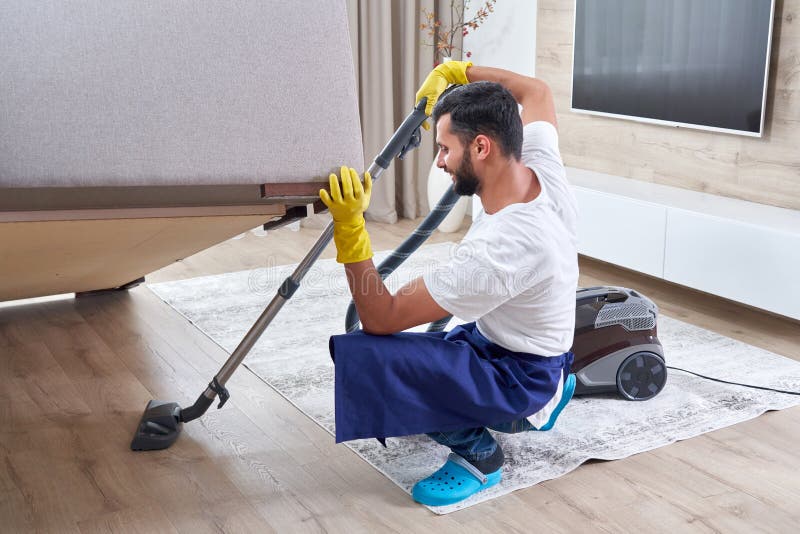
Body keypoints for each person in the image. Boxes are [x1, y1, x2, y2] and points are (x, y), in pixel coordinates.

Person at [318, 61, 579, 507]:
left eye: (444, 149)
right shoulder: (533, 163)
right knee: (418, 364)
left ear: (481, 146)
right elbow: (536, 92)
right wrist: (459, 70)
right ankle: (551, 391)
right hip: (513, 345)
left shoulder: (504, 250)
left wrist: (351, 229)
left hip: (519, 377)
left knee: (371, 360)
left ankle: (482, 456)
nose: (439, 161)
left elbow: (380, 318)